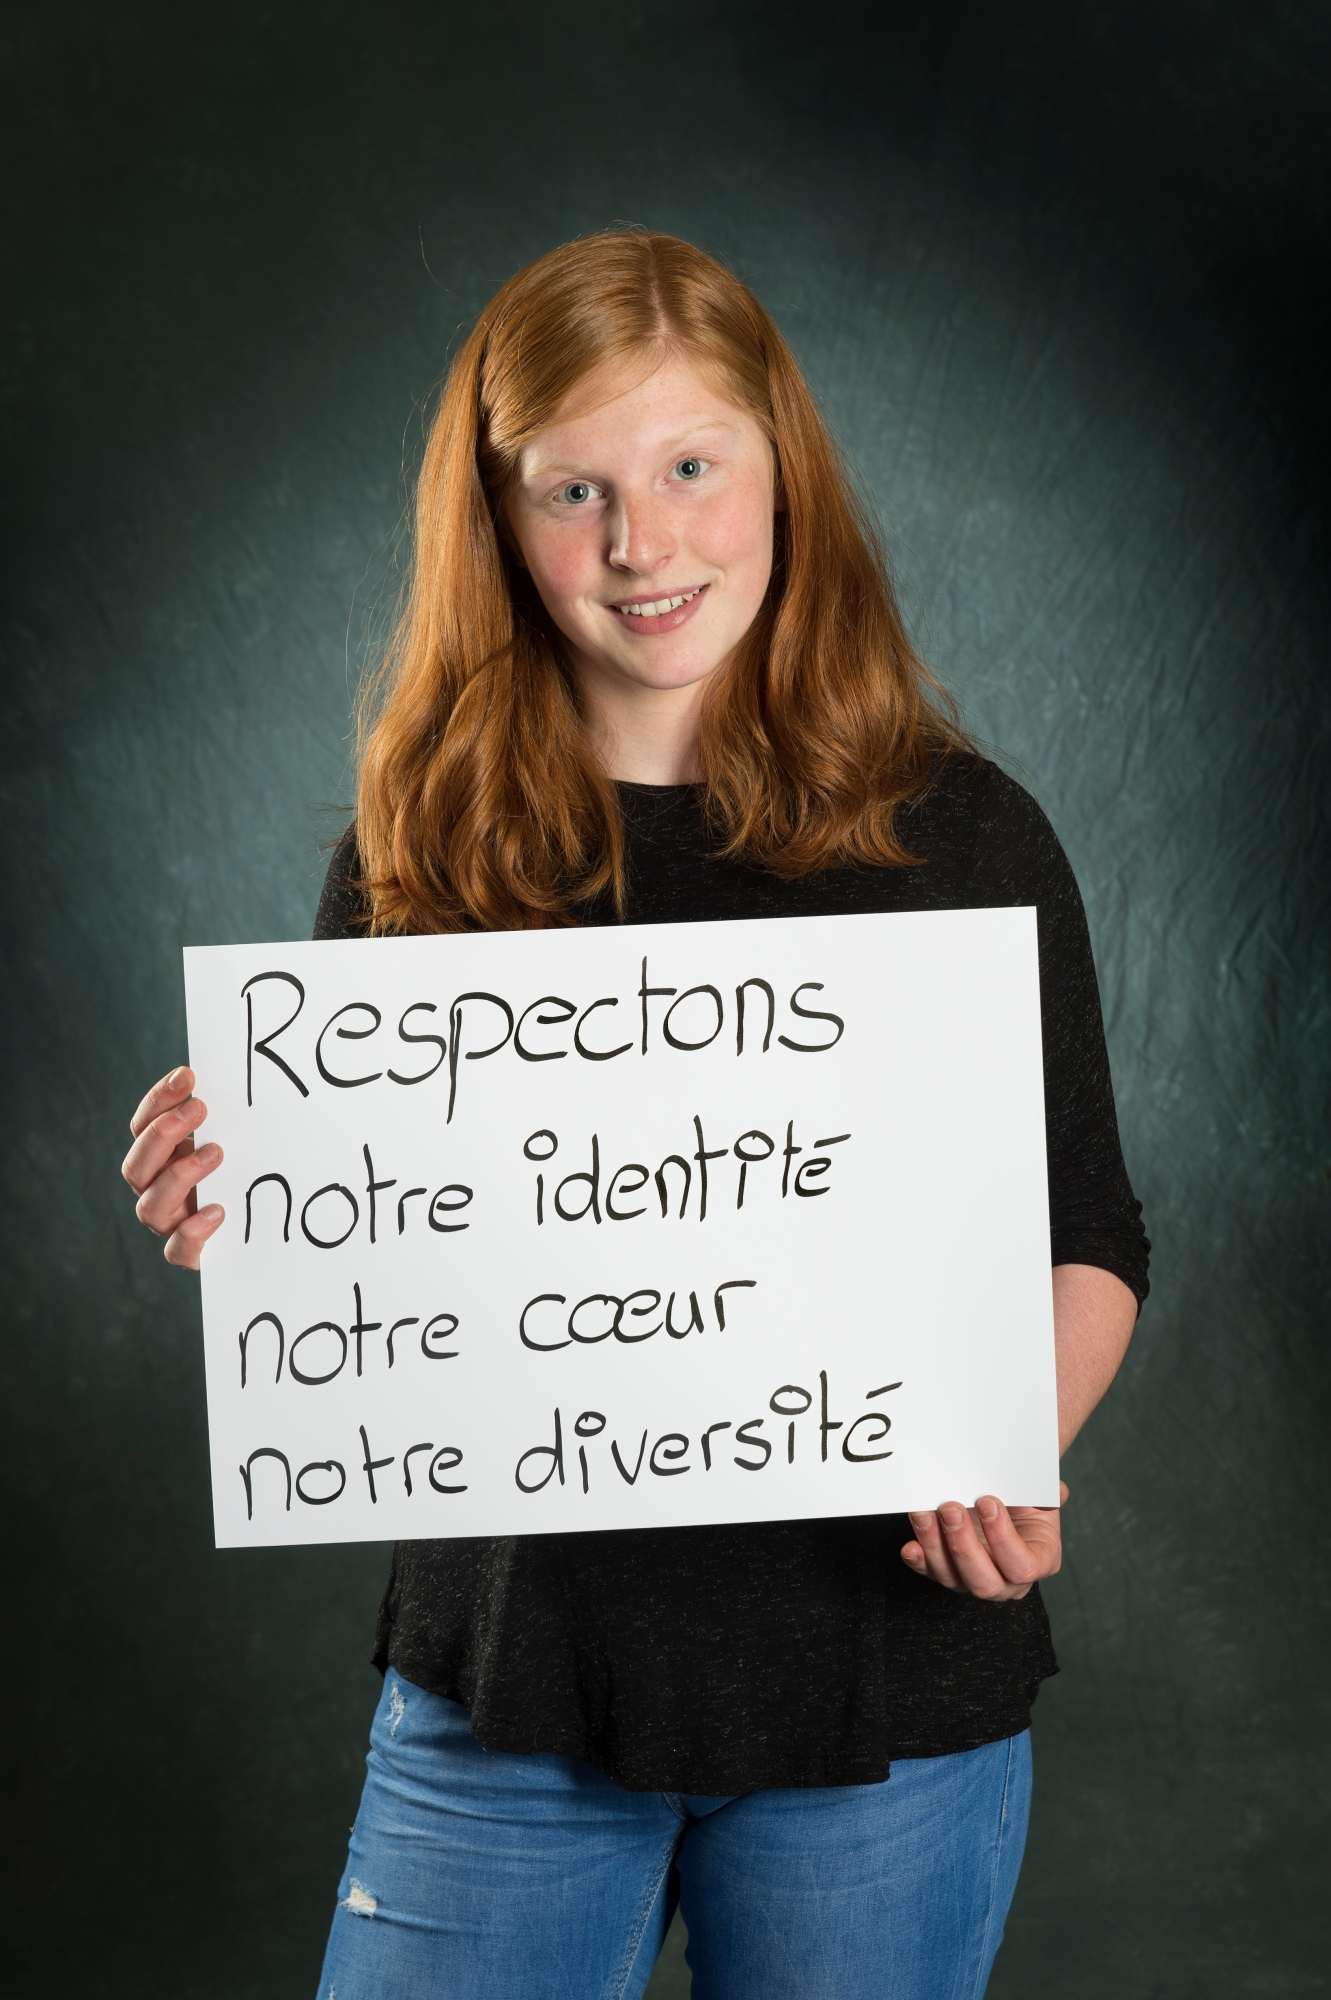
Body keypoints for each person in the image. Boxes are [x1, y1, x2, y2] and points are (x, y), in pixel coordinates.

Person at [121, 230, 1148, 2000]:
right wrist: (244, 1222)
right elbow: (370, 1293)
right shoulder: (425, 859)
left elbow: (1089, 1229)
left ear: (781, 471)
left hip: (889, 1700)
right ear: (501, 523)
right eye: (573, 488)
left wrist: (1011, 1435)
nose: (642, 542)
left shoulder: (964, 837)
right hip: (511, 1691)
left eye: (691, 468)